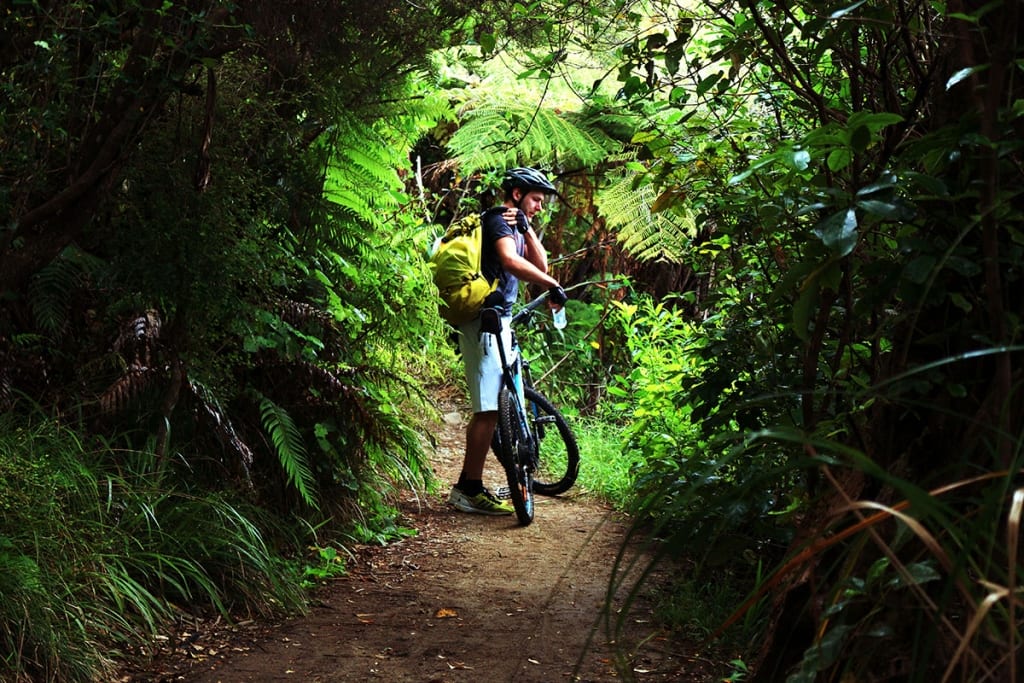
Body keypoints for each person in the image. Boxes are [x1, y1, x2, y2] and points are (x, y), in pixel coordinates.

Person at [447, 167, 568, 515]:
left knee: (493, 406)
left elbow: (541, 262)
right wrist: (549, 285)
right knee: (486, 410)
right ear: (516, 194)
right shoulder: (499, 219)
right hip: (482, 322)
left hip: (498, 320)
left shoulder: (516, 224)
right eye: (535, 200)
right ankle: (468, 488)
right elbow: (510, 261)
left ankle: (471, 485)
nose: (539, 208)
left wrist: (528, 229)